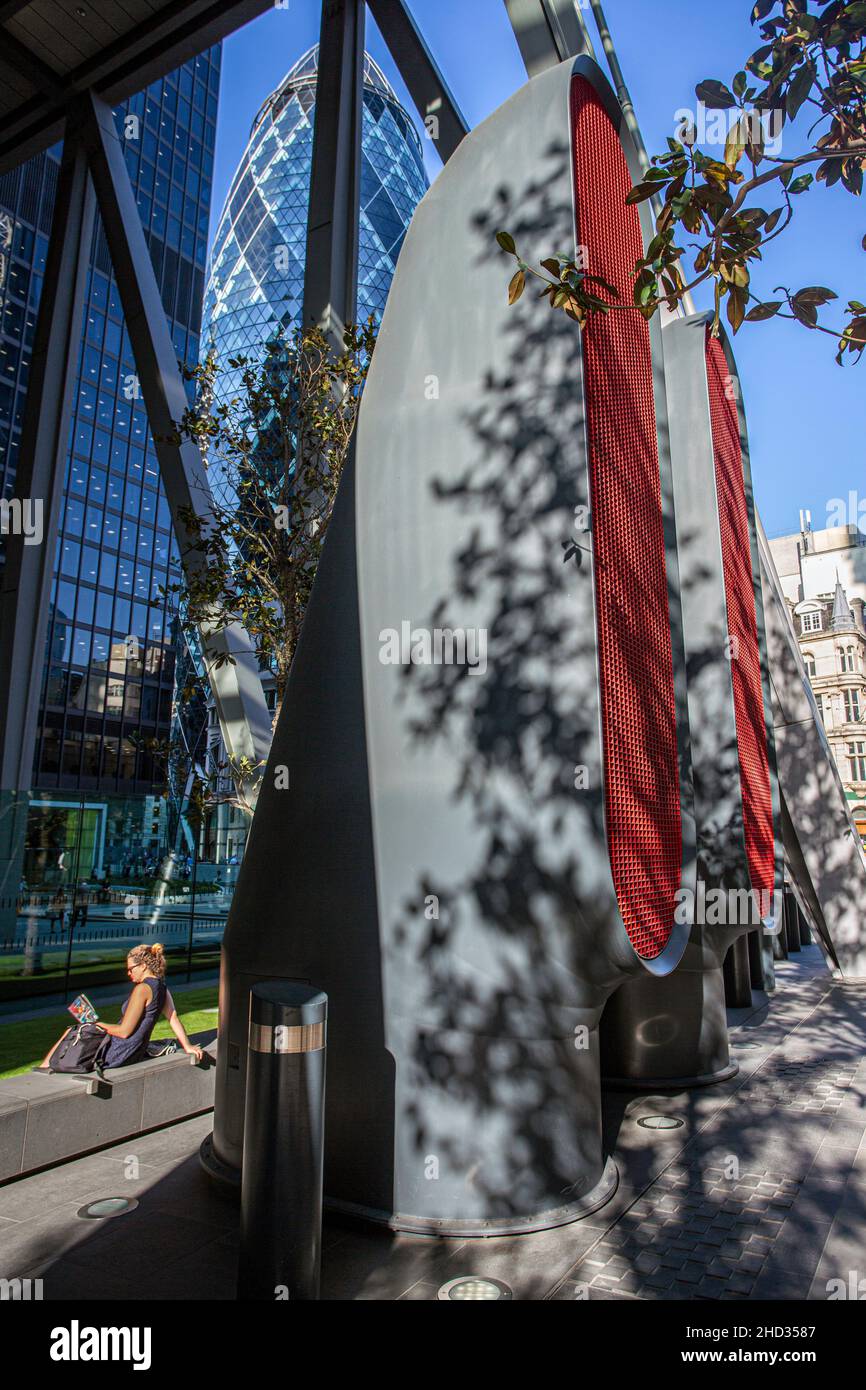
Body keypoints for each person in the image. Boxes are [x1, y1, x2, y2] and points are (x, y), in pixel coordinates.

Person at [39, 943, 204, 1070]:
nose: (129, 973)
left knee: (73, 1030)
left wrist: (97, 1024)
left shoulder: (142, 989)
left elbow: (124, 1032)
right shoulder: (161, 986)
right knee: (84, 1028)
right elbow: (173, 1018)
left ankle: (44, 1068)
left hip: (119, 1052)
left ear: (143, 966)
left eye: (131, 969)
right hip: (134, 1050)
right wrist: (187, 1046)